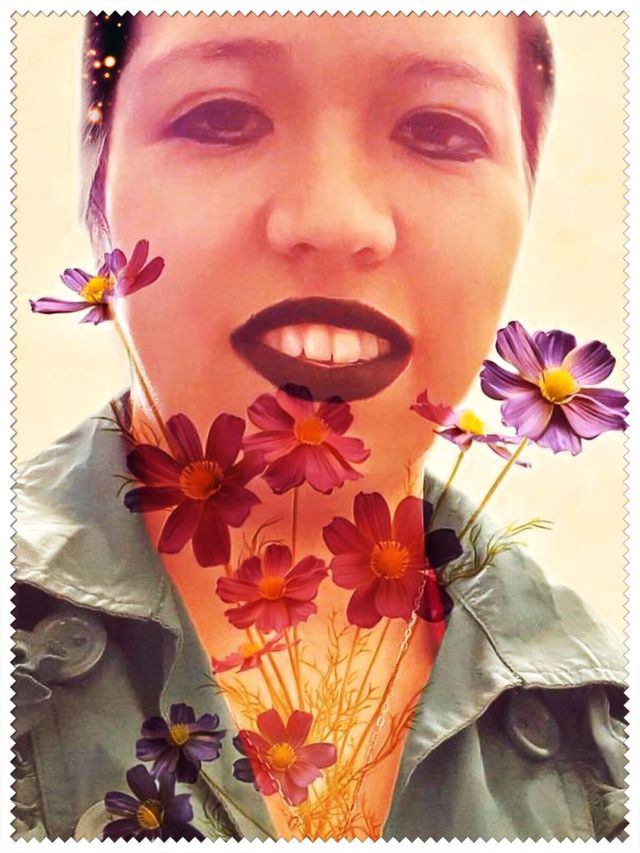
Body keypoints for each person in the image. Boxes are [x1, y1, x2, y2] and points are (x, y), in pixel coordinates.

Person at [13, 11, 626, 842]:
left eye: (438, 130)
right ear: (98, 191)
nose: (335, 222)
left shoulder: (611, 730)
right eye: (221, 117)